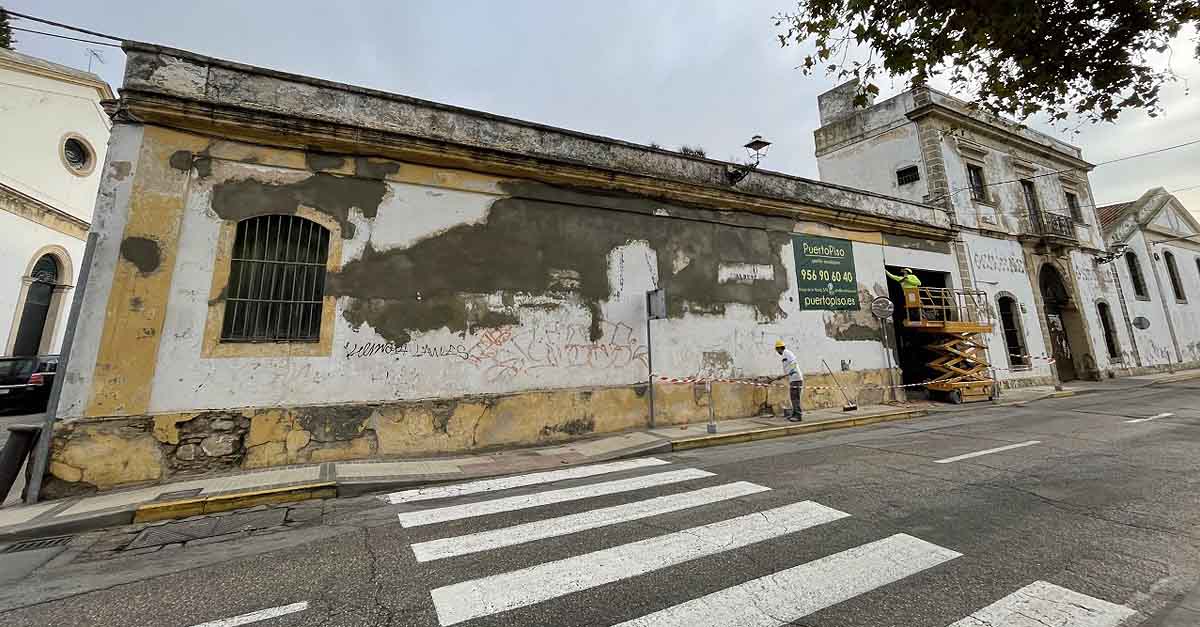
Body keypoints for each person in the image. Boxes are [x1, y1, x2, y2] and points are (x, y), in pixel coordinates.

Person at [773, 340, 804, 422]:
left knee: (795, 398)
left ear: (779, 348)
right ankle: (794, 414)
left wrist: (790, 372)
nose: (777, 352)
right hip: (793, 379)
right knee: (793, 397)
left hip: (796, 378)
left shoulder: (787, 353)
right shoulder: (784, 354)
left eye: (777, 350)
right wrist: (784, 375)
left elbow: (793, 363)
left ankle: (798, 415)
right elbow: (788, 367)